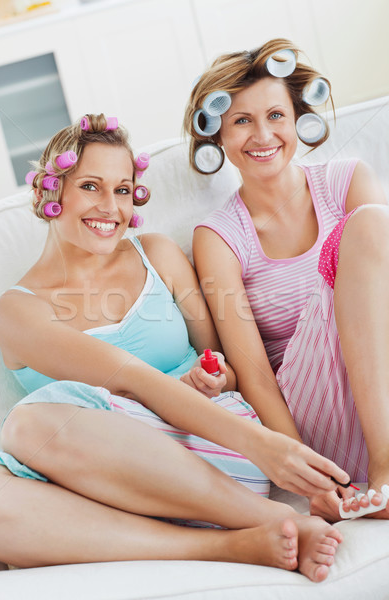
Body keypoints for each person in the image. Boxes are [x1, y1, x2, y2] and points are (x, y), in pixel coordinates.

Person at [0, 113, 349, 581]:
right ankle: (239, 542)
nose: (110, 207)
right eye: (91, 186)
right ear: (50, 192)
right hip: (97, 482)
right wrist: (266, 445)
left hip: (216, 446)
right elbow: (125, 376)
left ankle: (266, 520)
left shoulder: (157, 254)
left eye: (122, 190)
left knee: (30, 424)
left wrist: (217, 379)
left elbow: (226, 369)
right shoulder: (16, 310)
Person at [184, 38, 389, 523]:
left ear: (298, 119)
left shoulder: (347, 178)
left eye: (275, 115)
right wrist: (310, 476)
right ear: (218, 137)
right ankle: (385, 467)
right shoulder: (218, 238)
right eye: (241, 121)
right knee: (369, 225)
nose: (262, 135)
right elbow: (252, 373)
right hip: (318, 408)